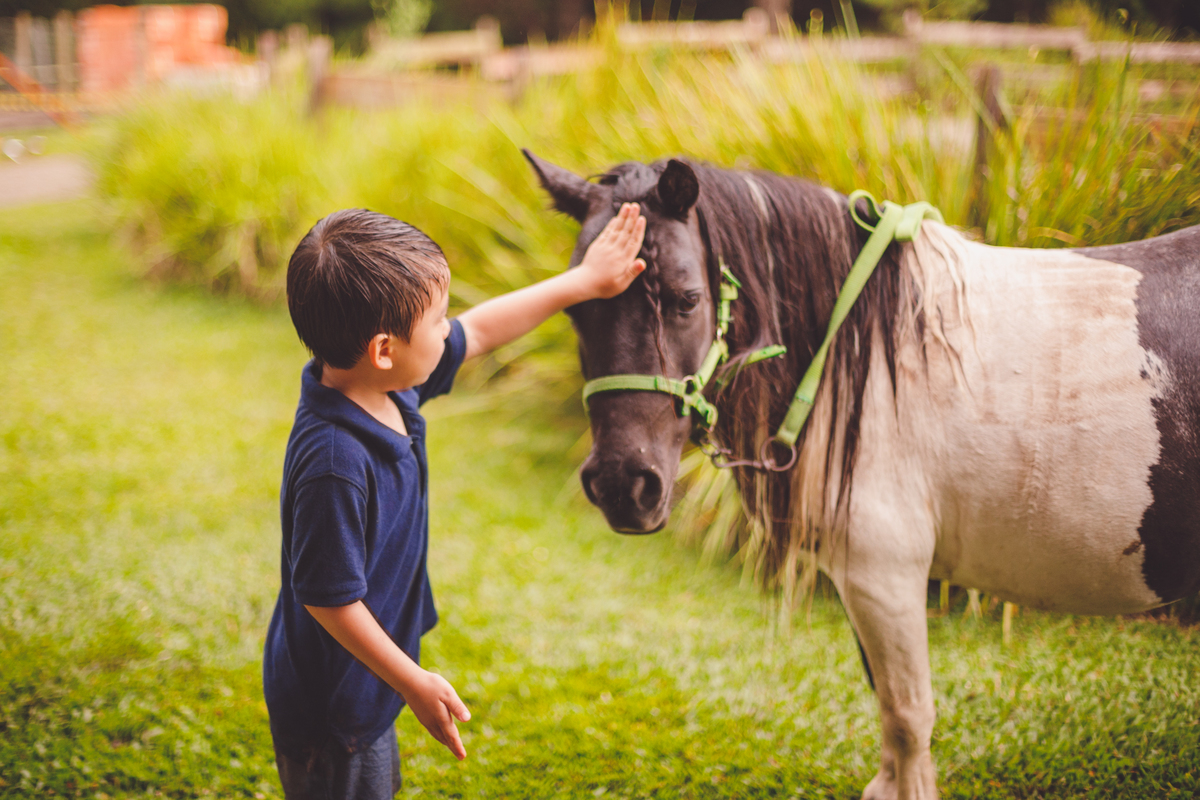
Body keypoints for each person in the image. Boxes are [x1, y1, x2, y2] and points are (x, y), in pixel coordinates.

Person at [263, 203, 647, 799]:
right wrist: (412, 681)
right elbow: (327, 599)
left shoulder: (381, 386)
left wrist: (584, 282)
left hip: (364, 683)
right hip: (333, 709)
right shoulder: (334, 464)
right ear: (384, 349)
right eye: (439, 321)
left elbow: (486, 330)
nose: (450, 331)